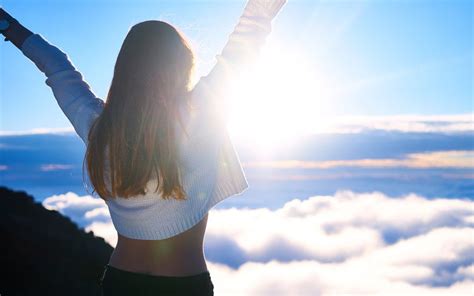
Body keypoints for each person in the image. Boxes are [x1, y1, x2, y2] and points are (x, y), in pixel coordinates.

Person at [0, 0, 286, 295]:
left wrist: (8, 26)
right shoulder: (197, 113)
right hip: (183, 286)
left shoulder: (99, 127)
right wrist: (261, 8)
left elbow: (55, 65)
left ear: (124, 69)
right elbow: (241, 51)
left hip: (120, 282)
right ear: (180, 67)